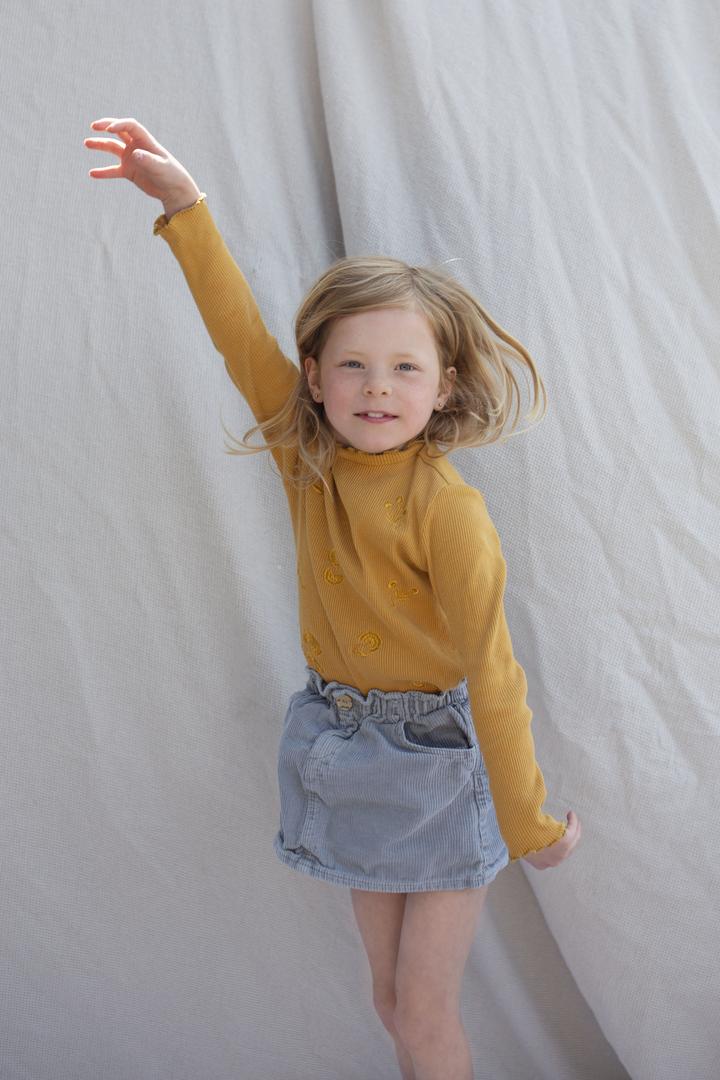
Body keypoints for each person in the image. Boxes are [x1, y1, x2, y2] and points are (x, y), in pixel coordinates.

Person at [85, 116, 581, 1080]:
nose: (376, 387)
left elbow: (494, 669)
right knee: (389, 1003)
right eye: (353, 364)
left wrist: (528, 821)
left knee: (424, 1012)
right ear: (314, 379)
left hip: (439, 762)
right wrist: (184, 207)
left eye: (405, 368)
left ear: (443, 388)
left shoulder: (450, 511)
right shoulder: (304, 457)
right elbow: (239, 336)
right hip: (343, 742)